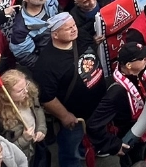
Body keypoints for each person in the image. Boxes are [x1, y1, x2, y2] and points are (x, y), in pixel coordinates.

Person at [32, 14, 103, 167]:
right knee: (70, 152)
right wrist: (64, 116)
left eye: (74, 26)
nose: (73, 30)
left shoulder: (81, 36)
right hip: (75, 118)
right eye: (68, 28)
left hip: (97, 109)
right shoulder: (46, 64)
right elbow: (47, 97)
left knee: (92, 138)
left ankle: (87, 150)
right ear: (55, 34)